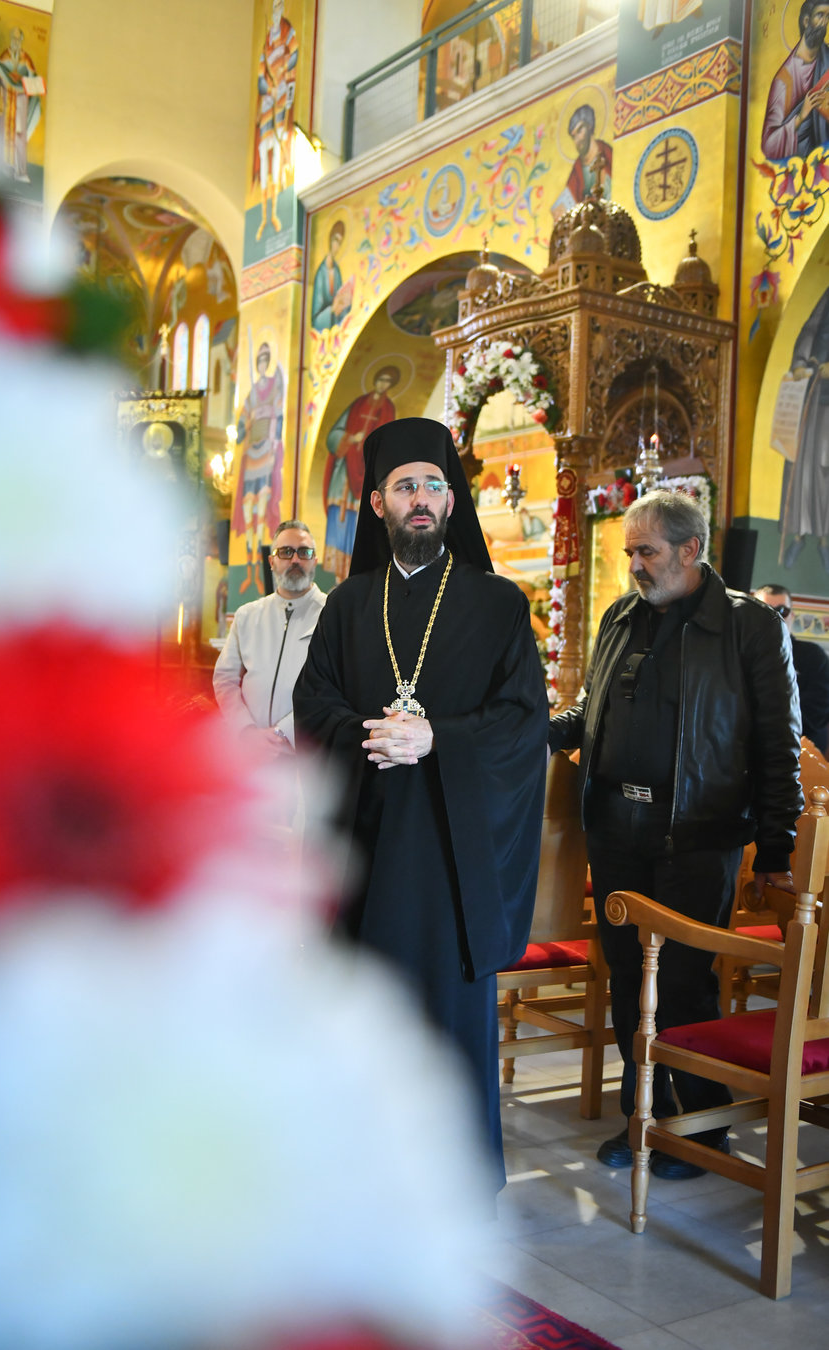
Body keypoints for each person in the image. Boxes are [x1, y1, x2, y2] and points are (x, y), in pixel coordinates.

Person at [294, 418, 549, 1191]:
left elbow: (522, 721)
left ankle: (454, 1183)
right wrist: (369, 735)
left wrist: (438, 738)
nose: (421, 499)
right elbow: (314, 701)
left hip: (450, 858)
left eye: (434, 486)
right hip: (366, 847)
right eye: (405, 486)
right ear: (377, 504)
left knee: (444, 1019)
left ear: (451, 501)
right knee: (365, 1012)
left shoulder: (499, 606)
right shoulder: (348, 605)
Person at [549, 489, 802, 1180]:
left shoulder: (748, 625)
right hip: (616, 830)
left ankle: (703, 1125)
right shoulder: (621, 615)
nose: (634, 564)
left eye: (647, 551)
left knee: (686, 984)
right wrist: (534, 728)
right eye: (629, 551)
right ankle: (645, 1116)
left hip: (697, 832)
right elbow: (589, 706)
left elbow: (779, 743)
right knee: (629, 977)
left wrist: (775, 847)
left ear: (690, 549)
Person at [214, 520, 324, 753]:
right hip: (249, 750)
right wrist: (246, 730)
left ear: (315, 560)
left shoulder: (332, 614)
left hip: (302, 753)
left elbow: (333, 687)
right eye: (286, 552)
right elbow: (225, 679)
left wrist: (283, 732)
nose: (295, 560)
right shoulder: (247, 615)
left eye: (304, 552)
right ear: (272, 561)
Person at [322, 365, 399, 583]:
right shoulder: (358, 404)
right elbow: (334, 434)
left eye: (387, 381)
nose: (383, 384)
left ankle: (354, 578)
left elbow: (387, 444)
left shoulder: (388, 408)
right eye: (381, 379)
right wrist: (349, 438)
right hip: (344, 471)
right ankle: (338, 579)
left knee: (360, 521)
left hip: (367, 475)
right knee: (338, 516)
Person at [775, 284, 829, 571]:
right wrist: (800, 363)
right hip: (814, 393)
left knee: (825, 470)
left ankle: (825, 541)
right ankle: (798, 535)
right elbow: (810, 329)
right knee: (803, 467)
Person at [233, 341, 285, 594]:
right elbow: (241, 422)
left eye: (266, 361)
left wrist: (276, 439)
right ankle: (250, 573)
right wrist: (243, 427)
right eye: (260, 362)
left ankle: (264, 571)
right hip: (251, 455)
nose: (263, 365)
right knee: (248, 516)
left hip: (266, 454)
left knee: (262, 515)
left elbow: (280, 414)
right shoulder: (252, 393)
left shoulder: (275, 388)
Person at [754, 583, 829, 755]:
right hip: (747, 746)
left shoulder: (813, 656)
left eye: (782, 611)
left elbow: (818, 709)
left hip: (801, 747)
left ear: (792, 616)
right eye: (765, 610)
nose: (775, 617)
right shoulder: (738, 653)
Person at [761, 0, 829, 161]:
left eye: (828, 17)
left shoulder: (827, 57)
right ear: (806, 21)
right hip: (808, 163)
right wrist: (802, 116)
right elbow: (768, 145)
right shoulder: (784, 80)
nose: (824, 22)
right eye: (820, 15)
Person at [253, 0, 297, 240]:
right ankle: (262, 217)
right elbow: (261, 75)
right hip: (269, 99)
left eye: (280, 5)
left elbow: (295, 54)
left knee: (279, 147)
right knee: (263, 149)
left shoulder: (288, 31)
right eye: (274, 5)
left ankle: (275, 212)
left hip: (281, 94)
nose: (276, 10)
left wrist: (285, 76)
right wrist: (267, 88)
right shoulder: (267, 40)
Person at [0, 28, 43, 184]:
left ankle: (20, 172)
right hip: (6, 98)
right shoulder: (5, 55)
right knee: (2, 133)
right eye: (13, 38)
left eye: (18, 39)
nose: (15, 42)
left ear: (21, 40)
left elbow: (33, 79)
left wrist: (21, 80)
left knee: (19, 135)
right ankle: (1, 167)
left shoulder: (26, 59)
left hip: (20, 101)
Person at [551, 104, 612, 221]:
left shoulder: (606, 153)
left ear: (589, 126)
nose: (577, 140)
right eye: (573, 136)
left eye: (580, 131)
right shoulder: (578, 168)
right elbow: (571, 195)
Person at [311, 221, 352, 332]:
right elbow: (315, 321)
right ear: (330, 240)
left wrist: (345, 303)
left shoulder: (337, 272)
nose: (337, 247)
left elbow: (340, 304)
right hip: (323, 326)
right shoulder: (321, 273)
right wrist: (332, 309)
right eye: (336, 240)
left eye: (340, 243)